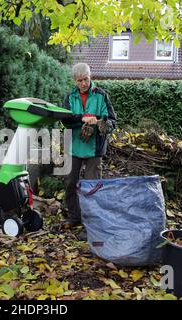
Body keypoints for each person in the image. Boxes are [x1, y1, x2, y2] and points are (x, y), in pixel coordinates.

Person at [61, 63, 117, 235]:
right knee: (71, 183)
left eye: (85, 79)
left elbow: (112, 122)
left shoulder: (101, 95)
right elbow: (65, 119)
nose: (83, 83)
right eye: (80, 81)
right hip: (74, 147)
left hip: (94, 149)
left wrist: (100, 122)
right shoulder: (70, 96)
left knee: (93, 186)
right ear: (75, 81)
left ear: (90, 76)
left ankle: (91, 223)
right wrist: (83, 119)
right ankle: (74, 217)